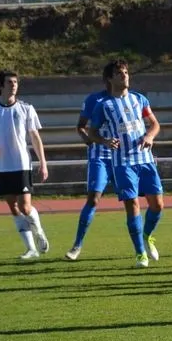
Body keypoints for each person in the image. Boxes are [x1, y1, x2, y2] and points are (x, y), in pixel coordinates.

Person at [87, 59, 163, 268]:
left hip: (145, 159)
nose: (125, 76)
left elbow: (155, 124)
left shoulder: (140, 99)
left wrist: (149, 136)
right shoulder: (104, 106)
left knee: (157, 205)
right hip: (123, 162)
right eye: (120, 73)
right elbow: (91, 132)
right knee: (133, 205)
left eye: (126, 72)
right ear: (110, 79)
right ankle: (140, 253)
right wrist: (104, 141)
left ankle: (147, 235)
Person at [0, 70, 50, 260]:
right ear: (1, 85)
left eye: (15, 82)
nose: (14, 85)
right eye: (9, 82)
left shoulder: (26, 108)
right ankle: (31, 249)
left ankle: (39, 231)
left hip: (22, 164)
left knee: (25, 206)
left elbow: (35, 136)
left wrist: (43, 163)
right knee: (13, 207)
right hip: (1, 167)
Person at [65, 74, 118, 261]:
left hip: (123, 156)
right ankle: (77, 245)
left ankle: (141, 246)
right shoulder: (94, 99)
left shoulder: (130, 99)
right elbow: (81, 126)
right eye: (116, 75)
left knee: (132, 200)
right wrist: (89, 141)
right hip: (100, 156)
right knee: (94, 199)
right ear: (108, 79)